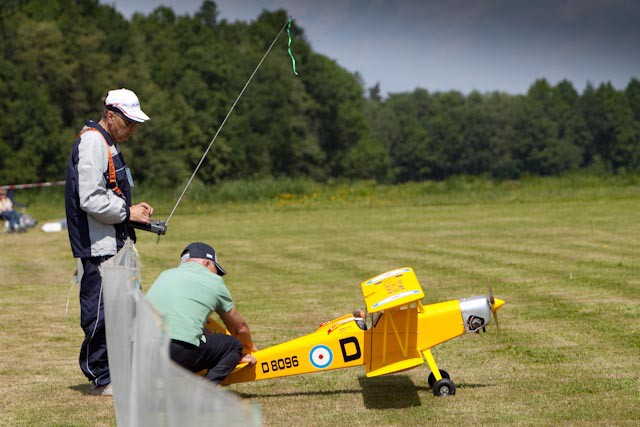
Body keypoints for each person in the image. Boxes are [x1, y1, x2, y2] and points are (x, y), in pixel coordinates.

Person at [65, 88, 154, 396]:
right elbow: (89, 197)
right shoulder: (92, 142)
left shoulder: (109, 143)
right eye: (129, 123)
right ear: (111, 115)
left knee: (128, 311)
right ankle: (101, 377)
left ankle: (124, 371)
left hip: (116, 243)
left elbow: (112, 191)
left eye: (135, 124)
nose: (133, 129)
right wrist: (125, 211)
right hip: (98, 247)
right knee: (100, 314)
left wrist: (133, 212)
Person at [146, 242, 258, 384]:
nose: (217, 274)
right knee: (233, 345)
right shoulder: (215, 282)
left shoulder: (165, 275)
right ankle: (204, 392)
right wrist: (249, 350)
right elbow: (239, 329)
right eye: (215, 269)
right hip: (174, 351)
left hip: (141, 350)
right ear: (206, 263)